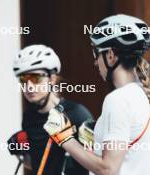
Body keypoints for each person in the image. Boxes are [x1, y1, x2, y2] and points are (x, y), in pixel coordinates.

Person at [43, 14, 150, 175]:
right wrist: (97, 140)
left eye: (96, 53)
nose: (95, 62)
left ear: (110, 55)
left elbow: (108, 169)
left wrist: (63, 137)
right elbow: (132, 155)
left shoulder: (118, 100)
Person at [9, 44, 93, 175]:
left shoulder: (77, 114)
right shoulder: (29, 117)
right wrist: (19, 152)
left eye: (35, 78)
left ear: (52, 79)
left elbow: (98, 165)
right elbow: (38, 163)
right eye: (23, 79)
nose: (29, 86)